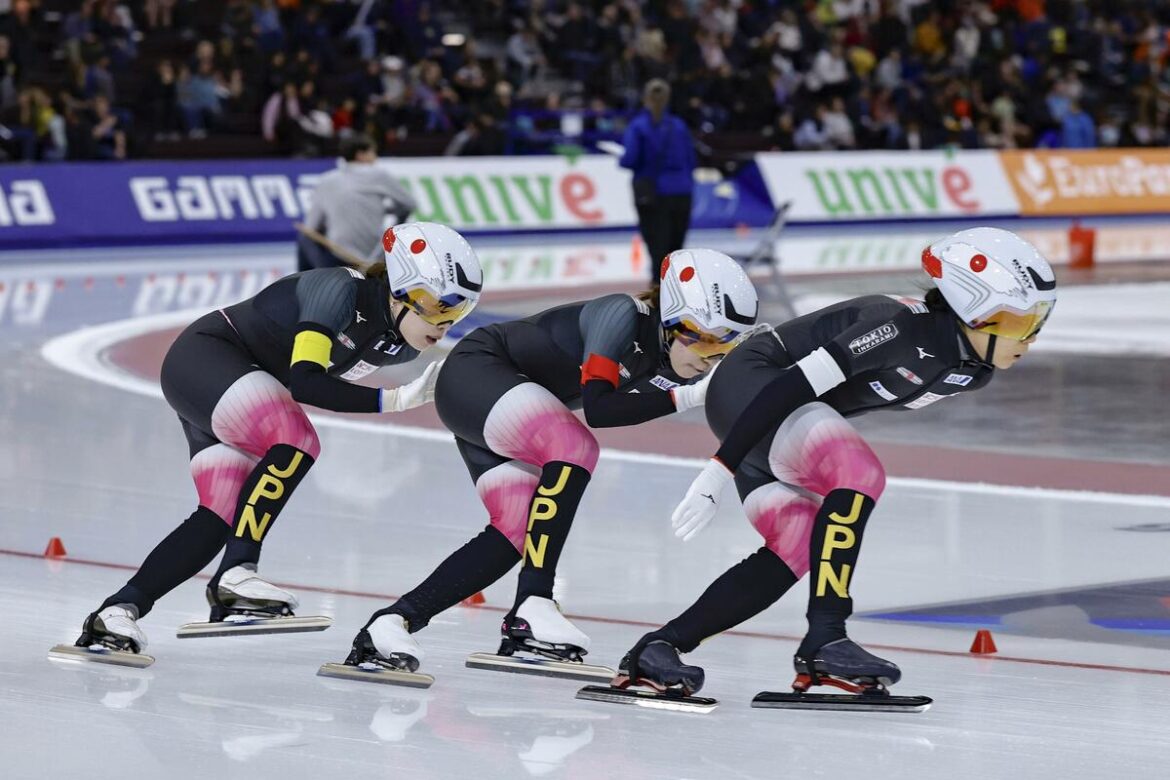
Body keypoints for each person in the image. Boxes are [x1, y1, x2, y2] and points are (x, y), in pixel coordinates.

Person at [608, 227, 1057, 702]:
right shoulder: (898, 326)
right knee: (859, 472)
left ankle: (657, 649)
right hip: (755, 389)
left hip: (775, 423)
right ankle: (826, 638)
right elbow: (791, 387)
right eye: (1016, 322)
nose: (1027, 338)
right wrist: (721, 468)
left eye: (1036, 323)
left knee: (796, 543)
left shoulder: (970, 372)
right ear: (972, 307)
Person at [329, 249, 759, 680]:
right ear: (672, 317)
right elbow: (600, 408)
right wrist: (690, 396)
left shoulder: (672, 353)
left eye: (723, 347)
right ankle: (534, 602)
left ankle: (392, 623)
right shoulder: (621, 315)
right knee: (576, 447)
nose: (710, 357)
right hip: (480, 372)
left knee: (517, 529)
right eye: (704, 339)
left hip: (500, 401)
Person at [62, 223, 484, 661]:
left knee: (220, 515)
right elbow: (306, 382)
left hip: (237, 386)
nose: (446, 323)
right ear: (401, 288)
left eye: (459, 313)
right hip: (208, 358)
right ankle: (238, 571)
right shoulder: (337, 290)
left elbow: (318, 386)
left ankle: (116, 611)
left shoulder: (399, 346)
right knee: (296, 438)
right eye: (439, 307)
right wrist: (395, 398)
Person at [297, 133, 419, 272]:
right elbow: (410, 204)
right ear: (360, 155)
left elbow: (310, 228)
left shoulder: (326, 180)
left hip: (336, 258)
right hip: (374, 255)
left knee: (304, 239)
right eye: (373, 152)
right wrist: (387, 211)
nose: (375, 158)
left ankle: (302, 286)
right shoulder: (379, 175)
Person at [619, 80, 696, 284]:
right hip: (682, 193)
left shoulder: (638, 127)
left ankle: (658, 299)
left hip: (654, 195)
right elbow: (691, 159)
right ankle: (677, 295)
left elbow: (630, 159)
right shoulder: (679, 125)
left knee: (657, 251)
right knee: (675, 252)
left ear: (645, 98)